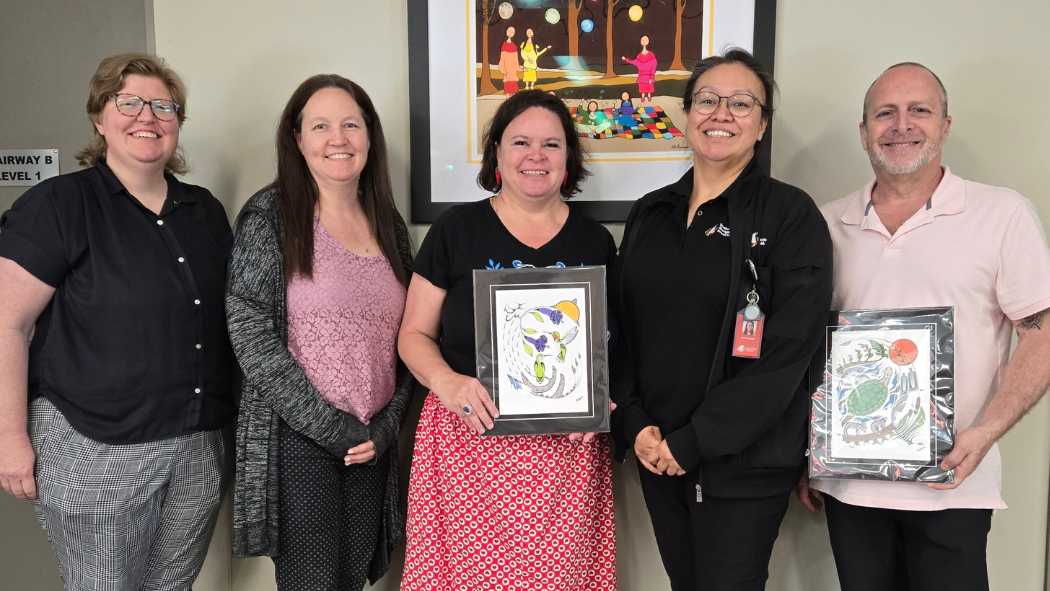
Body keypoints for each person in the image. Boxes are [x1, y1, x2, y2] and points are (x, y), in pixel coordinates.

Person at [796, 62, 1050, 591]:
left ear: (945, 125)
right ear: (864, 132)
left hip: (953, 484)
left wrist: (985, 433)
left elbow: (1042, 333)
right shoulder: (824, 223)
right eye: (884, 113)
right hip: (851, 487)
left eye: (920, 110)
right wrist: (809, 449)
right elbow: (805, 344)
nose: (901, 125)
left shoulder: (1001, 214)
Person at [0, 53, 234, 590]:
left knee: (171, 586)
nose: (147, 116)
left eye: (163, 106)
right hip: (94, 445)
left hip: (197, 447)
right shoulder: (59, 204)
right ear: (98, 118)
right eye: (128, 103)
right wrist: (9, 436)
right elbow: (6, 324)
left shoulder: (204, 210)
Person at [609, 48, 833, 591]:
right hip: (657, 453)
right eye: (707, 100)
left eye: (741, 103)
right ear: (687, 114)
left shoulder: (790, 215)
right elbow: (621, 329)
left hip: (743, 466)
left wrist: (695, 441)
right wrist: (634, 423)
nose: (721, 114)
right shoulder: (650, 212)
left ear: (762, 124)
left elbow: (789, 350)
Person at [399, 89, 617, 590]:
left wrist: (602, 398)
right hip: (466, 445)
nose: (535, 155)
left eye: (551, 144)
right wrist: (446, 382)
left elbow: (608, 345)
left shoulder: (596, 242)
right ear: (496, 152)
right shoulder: (455, 230)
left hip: (565, 459)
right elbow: (412, 334)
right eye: (520, 142)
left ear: (568, 158)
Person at [226, 74, 415, 590]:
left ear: (369, 136)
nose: (338, 139)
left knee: (351, 581)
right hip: (298, 439)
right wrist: (330, 428)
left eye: (351, 125)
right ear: (297, 138)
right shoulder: (270, 216)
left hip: (370, 441)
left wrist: (384, 428)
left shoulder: (389, 225)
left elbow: (413, 336)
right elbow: (249, 329)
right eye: (321, 126)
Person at [622, 36, 657, 102]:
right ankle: (643, 97)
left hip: (648, 75)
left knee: (649, 88)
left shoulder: (651, 55)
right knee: (642, 87)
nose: (644, 42)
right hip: (641, 76)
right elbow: (633, 62)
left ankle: (649, 96)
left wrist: (651, 77)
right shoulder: (639, 56)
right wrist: (626, 59)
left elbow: (653, 67)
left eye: (646, 40)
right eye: (642, 40)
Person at [498, 27, 522, 95]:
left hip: (513, 72)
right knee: (508, 90)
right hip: (507, 70)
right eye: (509, 31)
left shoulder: (514, 46)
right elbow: (502, 61)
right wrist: (505, 72)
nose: (510, 33)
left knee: (514, 89)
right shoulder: (504, 45)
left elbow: (516, 61)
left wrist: (521, 69)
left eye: (512, 32)